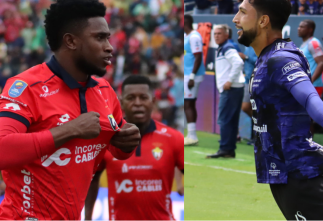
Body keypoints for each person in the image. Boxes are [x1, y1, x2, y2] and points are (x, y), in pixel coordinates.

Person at [0, 0, 141, 220]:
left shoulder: (104, 90)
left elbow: (118, 149)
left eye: (108, 38)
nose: (109, 47)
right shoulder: (26, 87)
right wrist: (71, 129)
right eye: (99, 38)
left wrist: (128, 141)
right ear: (71, 41)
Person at [233, 0, 323, 220]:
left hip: (303, 176)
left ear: (263, 21)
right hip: (285, 174)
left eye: (243, 12)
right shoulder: (267, 57)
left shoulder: (280, 58)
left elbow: (308, 95)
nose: (236, 19)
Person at [85, 75, 184, 220]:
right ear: (121, 102)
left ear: (153, 101)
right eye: (131, 98)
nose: (137, 103)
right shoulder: (108, 139)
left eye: (143, 97)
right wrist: (87, 218)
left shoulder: (173, 138)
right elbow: (93, 180)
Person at [206, 24, 245, 158]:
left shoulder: (227, 47)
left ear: (226, 35)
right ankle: (229, 150)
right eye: (215, 34)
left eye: (219, 34)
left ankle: (225, 149)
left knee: (225, 119)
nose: (216, 36)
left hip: (231, 88)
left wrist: (229, 80)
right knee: (230, 120)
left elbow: (238, 63)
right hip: (234, 88)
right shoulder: (223, 48)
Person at [184, 15, 205, 146]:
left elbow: (198, 57)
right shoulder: (187, 37)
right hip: (187, 74)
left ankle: (192, 135)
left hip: (192, 76)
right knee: (188, 104)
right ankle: (190, 134)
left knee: (189, 104)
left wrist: (192, 76)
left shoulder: (194, 37)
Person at [298, 20, 323, 98]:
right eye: (299, 26)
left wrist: (310, 81)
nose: (299, 28)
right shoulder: (304, 44)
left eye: (302, 27)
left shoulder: (313, 43)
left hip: (313, 86)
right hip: (305, 86)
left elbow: (321, 63)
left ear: (310, 29)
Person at [241, 46, 258, 145]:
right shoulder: (247, 47)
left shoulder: (257, 45)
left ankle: (257, 136)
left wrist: (246, 58)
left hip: (257, 80)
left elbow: (261, 61)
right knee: (246, 107)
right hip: (247, 80)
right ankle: (256, 133)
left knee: (255, 108)